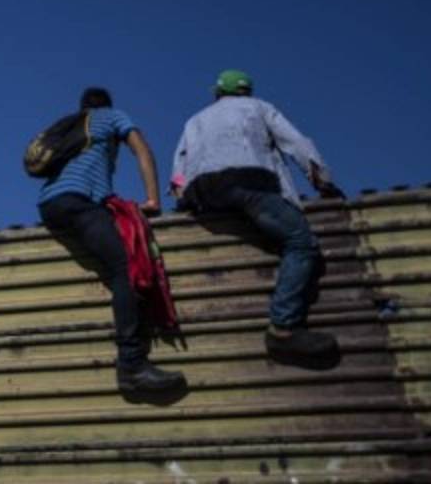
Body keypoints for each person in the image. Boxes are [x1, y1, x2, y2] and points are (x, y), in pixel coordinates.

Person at [171, 69, 344, 365]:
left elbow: (179, 167)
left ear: (217, 93)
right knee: (301, 243)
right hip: (248, 183)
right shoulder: (259, 107)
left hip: (204, 191)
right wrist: (323, 181)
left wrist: (182, 199)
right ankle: (284, 329)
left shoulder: (194, 120)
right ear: (246, 92)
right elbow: (297, 144)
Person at [37, 87, 185, 394]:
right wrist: (153, 199)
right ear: (106, 106)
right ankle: (131, 365)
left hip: (51, 203)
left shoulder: (74, 126)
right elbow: (141, 150)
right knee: (126, 267)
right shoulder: (112, 117)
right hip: (79, 201)